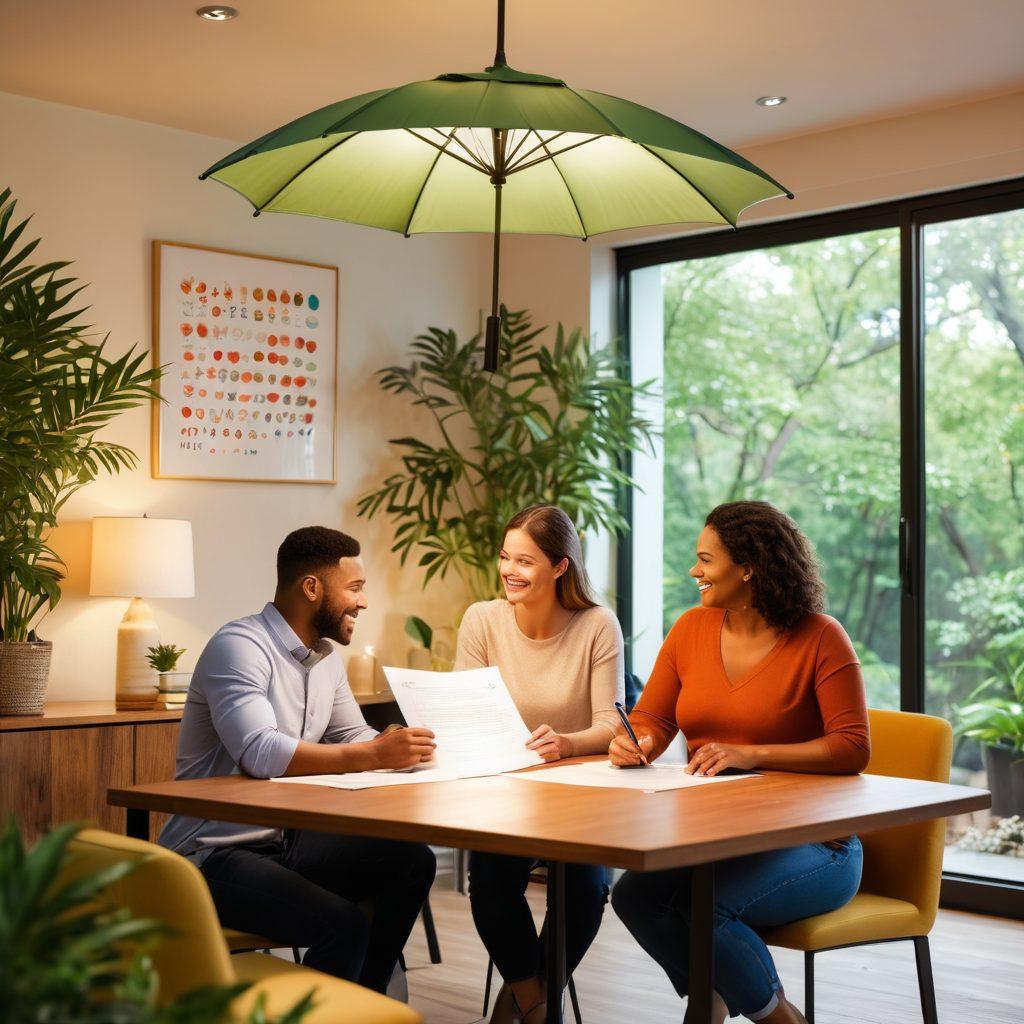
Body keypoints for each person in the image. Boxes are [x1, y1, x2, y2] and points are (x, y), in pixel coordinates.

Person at [609, 501, 870, 1024]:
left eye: (705, 559)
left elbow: (853, 746)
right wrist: (637, 741)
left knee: (704, 909)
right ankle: (711, 997)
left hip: (818, 844)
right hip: (719, 839)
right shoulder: (690, 629)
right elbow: (652, 719)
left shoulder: (821, 636)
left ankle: (778, 1018)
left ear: (748, 565)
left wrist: (751, 754)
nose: (694, 572)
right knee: (634, 896)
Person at [158, 526, 437, 994]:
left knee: (412, 861)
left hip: (283, 841)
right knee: (343, 926)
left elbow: (353, 735)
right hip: (213, 854)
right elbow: (260, 751)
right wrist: (373, 753)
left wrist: (408, 748)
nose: (363, 602)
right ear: (312, 588)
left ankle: (363, 1005)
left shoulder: (325, 657)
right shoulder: (240, 646)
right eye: (355, 588)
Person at [456, 504, 625, 1024]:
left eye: (525, 561)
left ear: (560, 568)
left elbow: (611, 725)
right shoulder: (482, 619)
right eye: (506, 557)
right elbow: (465, 711)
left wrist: (568, 743)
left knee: (587, 887)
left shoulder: (598, 625)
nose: (510, 570)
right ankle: (537, 1006)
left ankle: (524, 1001)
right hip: (504, 795)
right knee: (487, 878)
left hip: (577, 799)